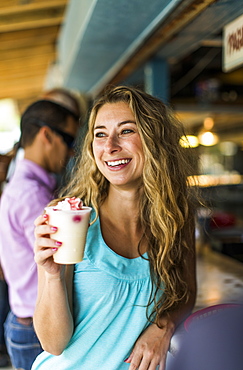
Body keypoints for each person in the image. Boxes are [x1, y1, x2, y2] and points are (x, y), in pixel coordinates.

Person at [32, 85, 197, 370]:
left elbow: (187, 292)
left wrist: (163, 325)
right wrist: (52, 276)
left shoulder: (175, 218)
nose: (109, 146)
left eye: (126, 131)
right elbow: (53, 344)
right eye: (100, 134)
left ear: (153, 140)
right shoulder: (68, 216)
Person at [0, 99, 80, 370]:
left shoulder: (21, 184)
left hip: (23, 318)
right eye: (69, 140)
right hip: (37, 327)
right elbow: (61, 258)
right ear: (46, 135)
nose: (71, 153)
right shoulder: (33, 195)